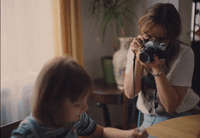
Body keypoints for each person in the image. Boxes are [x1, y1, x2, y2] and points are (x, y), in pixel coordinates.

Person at [11, 55, 148, 138]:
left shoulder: (72, 120)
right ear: (54, 103)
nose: (86, 107)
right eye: (77, 104)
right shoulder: (27, 133)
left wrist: (129, 134)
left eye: (85, 100)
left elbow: (102, 132)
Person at [124, 3, 200, 128]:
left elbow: (170, 106)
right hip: (148, 118)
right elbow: (130, 93)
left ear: (172, 37)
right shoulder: (137, 48)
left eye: (161, 39)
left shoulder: (184, 53)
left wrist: (157, 69)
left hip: (181, 116)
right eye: (148, 37)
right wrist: (138, 58)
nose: (153, 43)